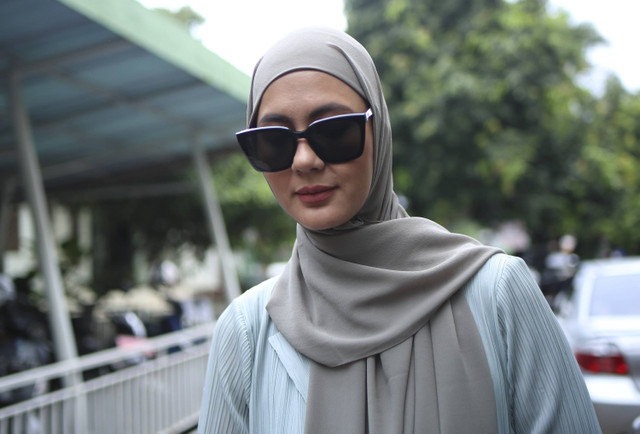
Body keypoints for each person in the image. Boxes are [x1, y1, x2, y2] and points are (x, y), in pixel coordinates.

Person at [197, 27, 601, 434]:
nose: (304, 160)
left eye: (334, 131)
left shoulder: (498, 295)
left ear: (380, 130)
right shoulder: (246, 332)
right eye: (273, 140)